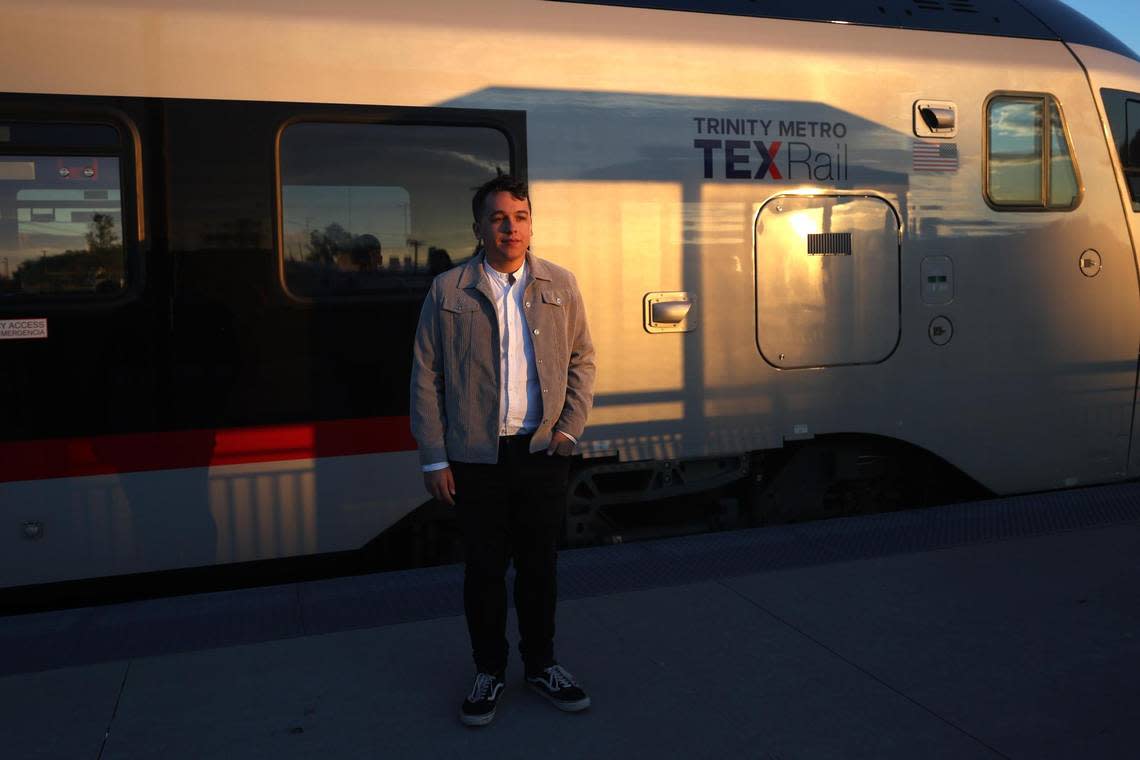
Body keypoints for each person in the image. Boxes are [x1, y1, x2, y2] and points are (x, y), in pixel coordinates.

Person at [410, 174, 596, 726]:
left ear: (531, 224)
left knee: (540, 567)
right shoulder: (448, 290)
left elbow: (583, 360)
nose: (510, 227)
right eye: (498, 218)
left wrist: (569, 428)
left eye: (520, 216)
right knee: (484, 570)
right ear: (479, 228)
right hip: (476, 458)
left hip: (541, 453)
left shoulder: (560, 284)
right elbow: (426, 376)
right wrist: (434, 456)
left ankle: (542, 664)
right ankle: (488, 670)